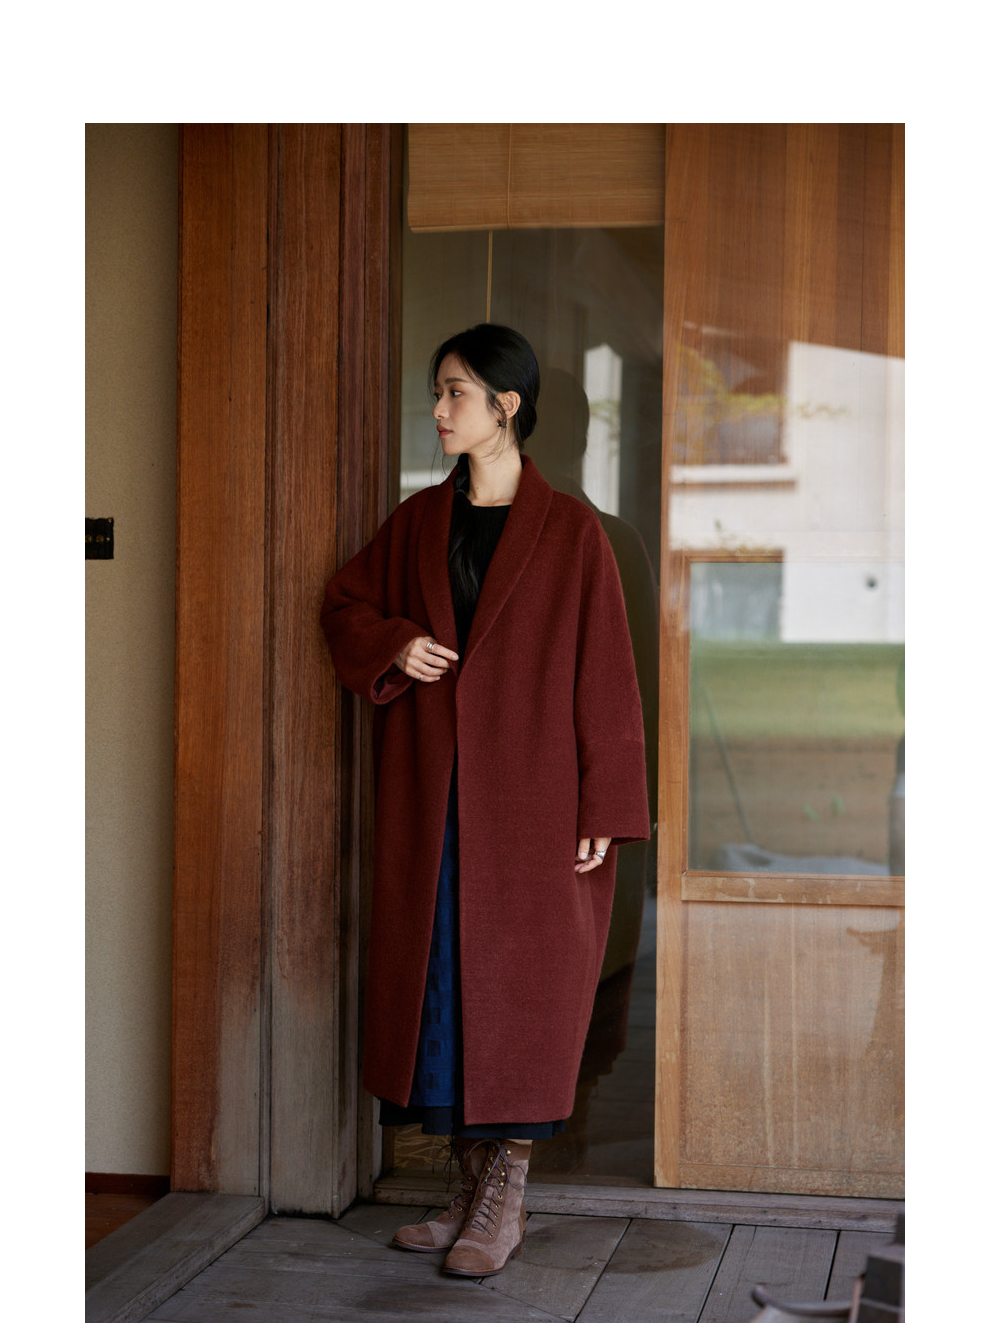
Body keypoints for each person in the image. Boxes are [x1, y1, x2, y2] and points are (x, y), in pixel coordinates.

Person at [321, 323, 649, 1277]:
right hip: (435, 801)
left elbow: (607, 677)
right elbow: (343, 605)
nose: (437, 409)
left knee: (523, 995)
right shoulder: (420, 521)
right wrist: (396, 644)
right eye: (437, 391)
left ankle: (504, 1201)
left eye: (454, 392)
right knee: (445, 986)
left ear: (506, 405)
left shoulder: (573, 532)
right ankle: (465, 1194)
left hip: (534, 806)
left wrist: (605, 807)